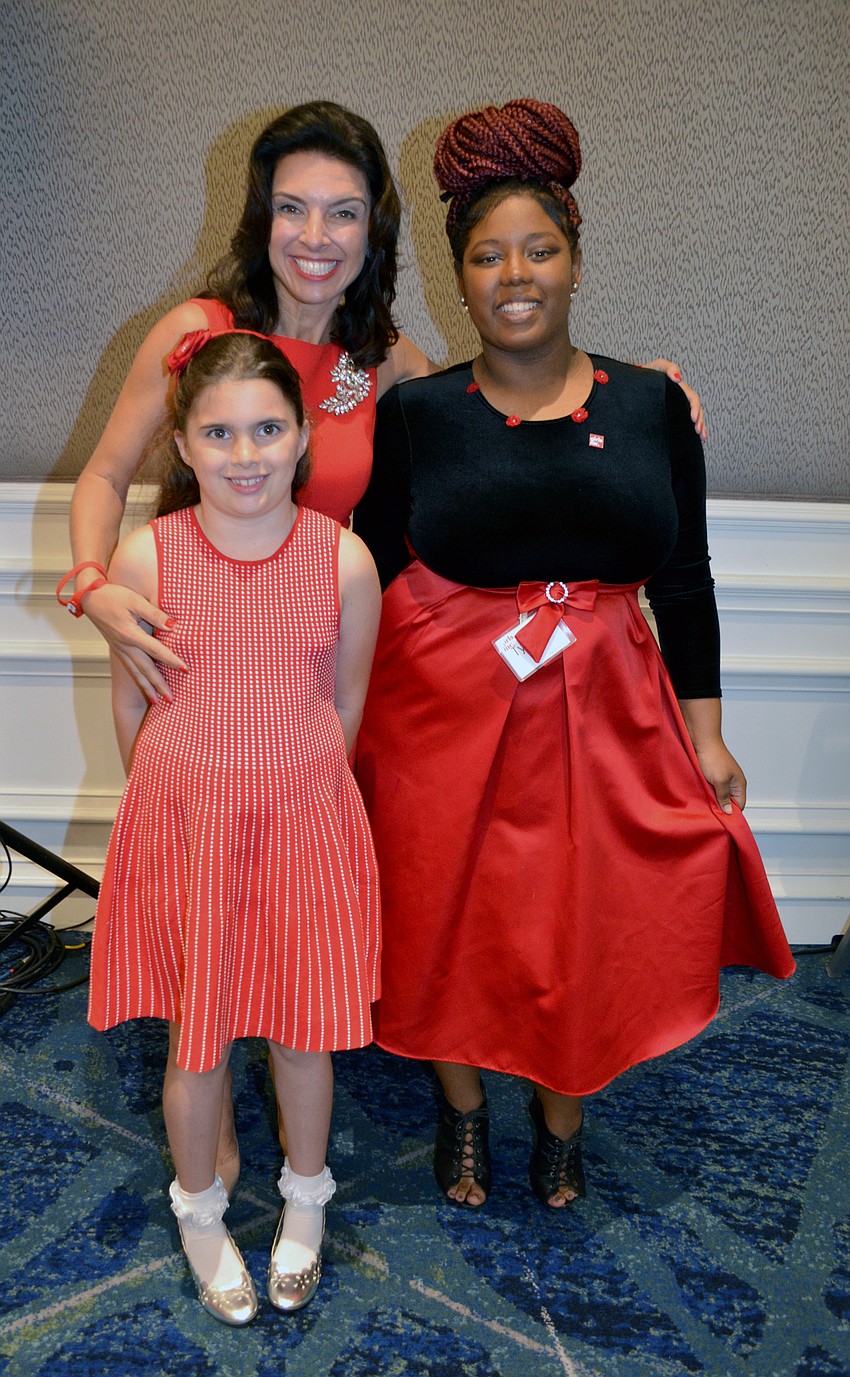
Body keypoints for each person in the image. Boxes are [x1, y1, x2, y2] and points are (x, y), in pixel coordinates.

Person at [63, 98, 703, 1189]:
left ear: (374, 231)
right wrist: (92, 587)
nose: (316, 236)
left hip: (332, 649)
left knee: (312, 893)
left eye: (343, 213)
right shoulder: (196, 335)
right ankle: (208, 1120)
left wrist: (646, 400)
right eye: (293, 209)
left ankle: (304, 1079)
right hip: (204, 643)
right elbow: (106, 476)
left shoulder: (385, 361)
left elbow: (494, 407)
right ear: (260, 218)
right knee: (216, 890)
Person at [353, 99, 795, 1212]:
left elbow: (684, 573)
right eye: (487, 254)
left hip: (606, 705)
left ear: (577, 261)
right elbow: (361, 566)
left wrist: (707, 733)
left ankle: (561, 1118)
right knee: (438, 910)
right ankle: (459, 1113)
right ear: (459, 276)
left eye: (539, 249)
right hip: (435, 706)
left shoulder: (652, 406)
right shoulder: (417, 415)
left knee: (582, 926)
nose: (515, 273)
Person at [86, 330, 382, 1322]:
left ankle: (306, 1201)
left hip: (302, 827)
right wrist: (190, 800)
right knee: (197, 1040)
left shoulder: (343, 560)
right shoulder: (146, 554)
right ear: (181, 442)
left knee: (305, 1034)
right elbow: (132, 708)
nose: (244, 454)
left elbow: (345, 705)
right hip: (188, 831)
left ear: (303, 438)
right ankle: (200, 1210)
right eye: (218, 433)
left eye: (267, 429)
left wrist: (289, 791)